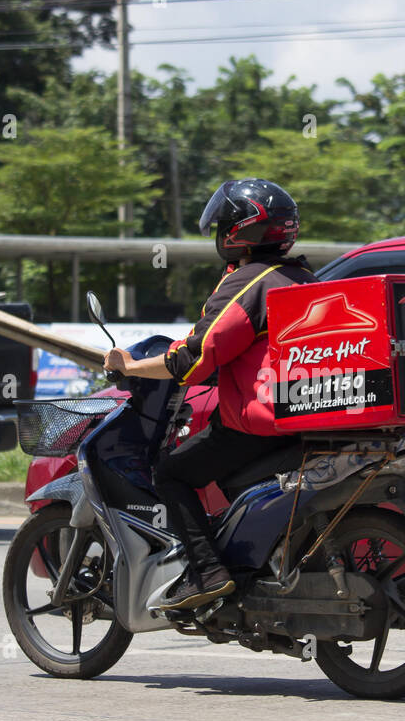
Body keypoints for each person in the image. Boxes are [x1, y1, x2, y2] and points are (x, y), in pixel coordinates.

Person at [104, 179, 314, 610]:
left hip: (261, 421)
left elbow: (196, 356)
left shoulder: (249, 283)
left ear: (240, 232)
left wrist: (130, 367)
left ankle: (207, 572)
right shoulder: (303, 277)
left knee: (172, 473)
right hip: (307, 414)